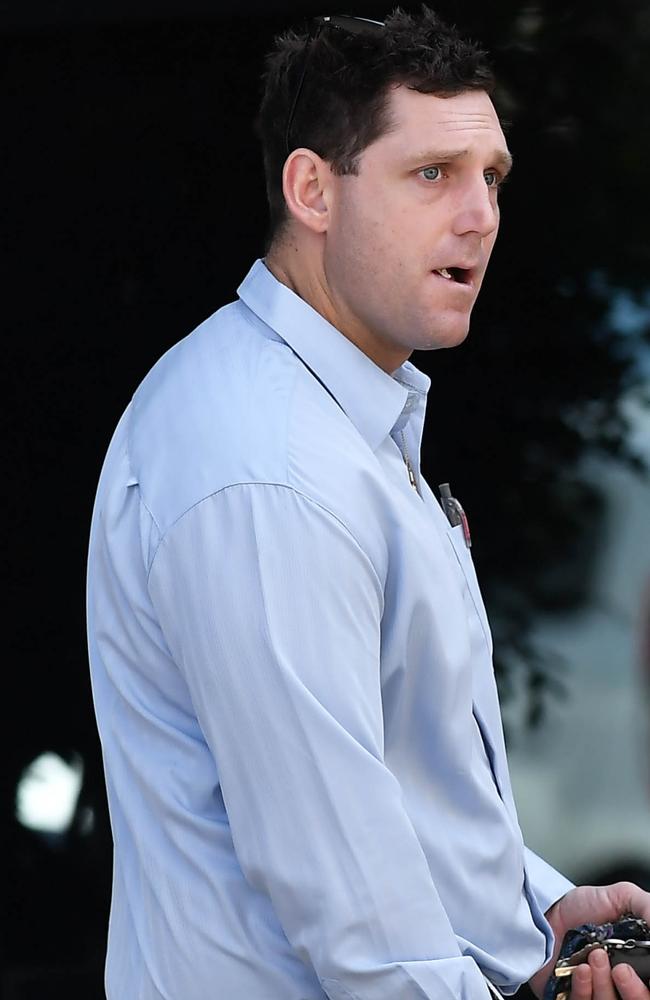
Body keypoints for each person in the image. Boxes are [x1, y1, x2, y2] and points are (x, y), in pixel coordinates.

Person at [86, 8, 650, 999]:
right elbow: (352, 911)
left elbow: (390, 792)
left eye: (491, 178)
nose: (478, 215)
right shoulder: (267, 466)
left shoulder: (330, 419)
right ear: (312, 189)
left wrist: (536, 910)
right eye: (429, 174)